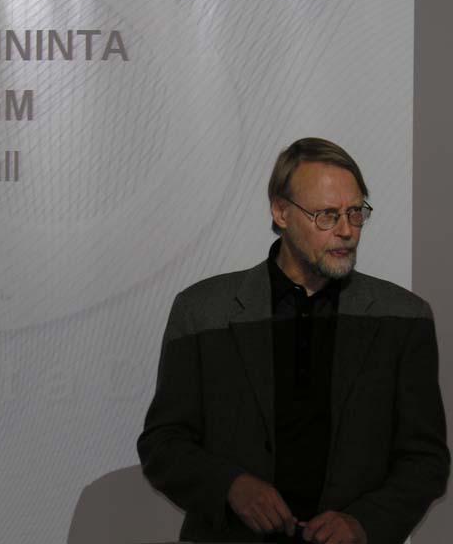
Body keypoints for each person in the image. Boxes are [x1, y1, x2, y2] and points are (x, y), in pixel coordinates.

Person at [137, 138, 449, 543]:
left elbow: (425, 459)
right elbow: (163, 443)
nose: (346, 231)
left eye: (356, 212)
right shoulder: (202, 311)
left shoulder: (404, 317)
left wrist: (363, 523)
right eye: (327, 215)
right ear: (281, 212)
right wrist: (231, 486)